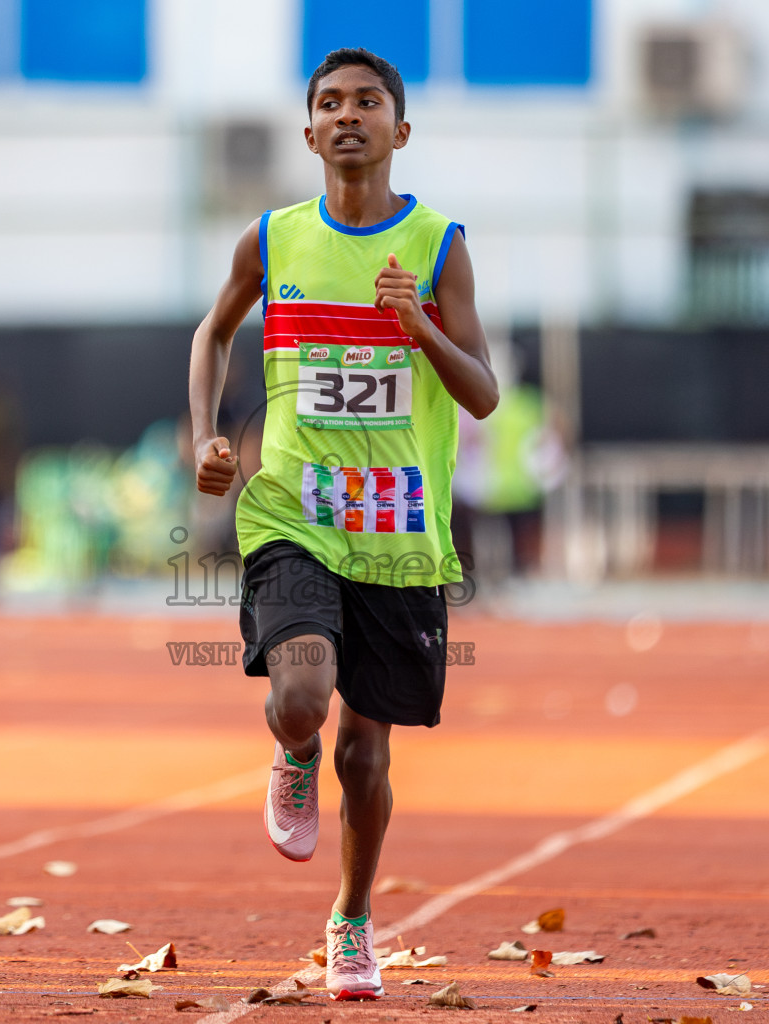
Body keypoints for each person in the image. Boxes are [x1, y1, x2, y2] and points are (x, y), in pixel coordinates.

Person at [187, 48, 498, 1000]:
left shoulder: (440, 246)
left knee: (369, 753)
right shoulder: (272, 240)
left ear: (400, 131)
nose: (348, 114)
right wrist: (205, 435)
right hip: (291, 511)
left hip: (399, 534)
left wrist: (424, 330)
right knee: (302, 696)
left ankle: (353, 920)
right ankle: (289, 751)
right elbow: (214, 331)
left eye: (368, 102)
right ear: (310, 131)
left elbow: (483, 395)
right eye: (329, 103)